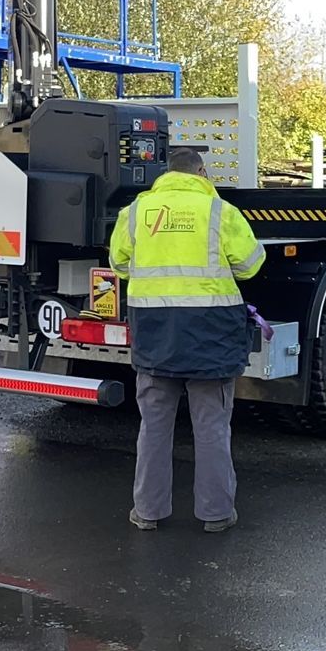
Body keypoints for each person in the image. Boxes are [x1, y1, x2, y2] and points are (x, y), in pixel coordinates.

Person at [109, 143, 265, 533]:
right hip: (210, 334)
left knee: (154, 426)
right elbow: (250, 265)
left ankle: (147, 512)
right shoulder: (220, 212)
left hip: (155, 334)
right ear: (201, 173)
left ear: (166, 175)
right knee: (211, 426)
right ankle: (215, 515)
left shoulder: (135, 213)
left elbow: (119, 264)